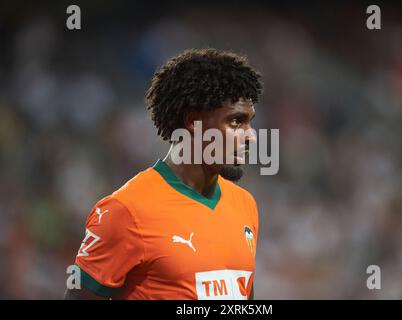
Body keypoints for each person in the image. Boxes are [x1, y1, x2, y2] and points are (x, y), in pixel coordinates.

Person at [65, 48, 263, 299]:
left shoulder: (245, 205)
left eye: (250, 122)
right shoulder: (126, 211)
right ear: (194, 122)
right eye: (236, 121)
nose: (251, 136)